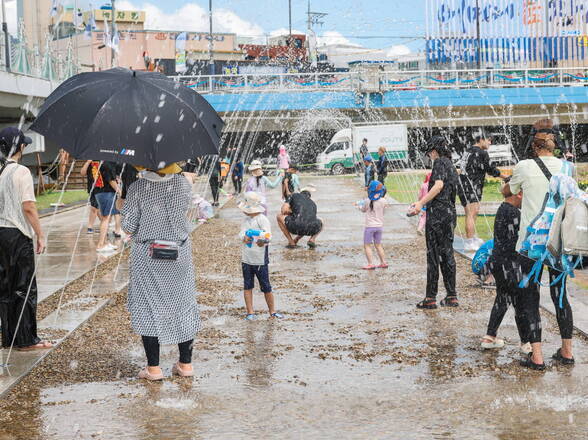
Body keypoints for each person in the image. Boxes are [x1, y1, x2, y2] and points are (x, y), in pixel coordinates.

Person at [121, 163, 200, 380]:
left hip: (148, 255)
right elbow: (192, 216)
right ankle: (185, 364)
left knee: (148, 305)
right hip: (179, 253)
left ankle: (154, 368)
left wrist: (124, 208)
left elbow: (128, 227)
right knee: (183, 303)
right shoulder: (183, 185)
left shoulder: (138, 187)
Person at [502, 132, 575, 370]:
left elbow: (508, 192)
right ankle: (566, 351)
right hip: (559, 242)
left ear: (534, 148)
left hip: (531, 243)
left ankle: (538, 356)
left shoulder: (524, 166)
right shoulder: (567, 167)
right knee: (561, 295)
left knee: (530, 297)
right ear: (553, 148)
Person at [0, 127, 52, 351]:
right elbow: (29, 207)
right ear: (19, 146)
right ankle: (26, 339)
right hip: (16, 234)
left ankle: (9, 337)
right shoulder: (20, 171)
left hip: (0, 233)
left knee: (5, 288)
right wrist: (40, 234)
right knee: (24, 287)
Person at [481, 179, 531, 354]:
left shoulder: (503, 209)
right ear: (519, 194)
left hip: (498, 262)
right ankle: (526, 343)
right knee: (520, 302)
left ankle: (490, 336)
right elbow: (523, 238)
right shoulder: (514, 213)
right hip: (510, 264)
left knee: (503, 299)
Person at [409, 136, 459, 309]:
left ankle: (430, 298)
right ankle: (452, 296)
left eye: (430, 152)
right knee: (447, 255)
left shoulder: (438, 163)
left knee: (433, 256)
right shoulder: (451, 165)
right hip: (449, 214)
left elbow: (438, 186)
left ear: (435, 150)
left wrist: (421, 203)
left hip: (437, 215)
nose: (429, 155)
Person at [239, 192, 283, 321]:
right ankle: (250, 312)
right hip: (246, 259)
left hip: (260, 260)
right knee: (247, 286)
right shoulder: (245, 220)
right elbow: (241, 234)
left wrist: (262, 241)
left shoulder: (262, 219)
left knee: (266, 286)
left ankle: (272, 311)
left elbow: (268, 236)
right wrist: (245, 237)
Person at [457, 135, 506, 251]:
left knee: (473, 212)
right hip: (471, 186)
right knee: (471, 213)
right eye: (488, 140)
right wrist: (506, 177)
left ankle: (472, 238)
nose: (490, 143)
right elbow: (491, 170)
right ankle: (469, 242)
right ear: (480, 140)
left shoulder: (468, 150)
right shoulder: (481, 153)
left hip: (465, 185)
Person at [357, 181, 389, 270]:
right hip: (379, 226)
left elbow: (363, 210)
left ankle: (371, 264)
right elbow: (383, 212)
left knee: (367, 245)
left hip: (369, 227)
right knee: (378, 245)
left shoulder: (367, 201)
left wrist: (358, 206)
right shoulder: (384, 201)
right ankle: (383, 262)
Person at [95, 161, 122, 253]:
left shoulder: (101, 162)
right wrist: (119, 191)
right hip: (106, 193)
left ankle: (105, 242)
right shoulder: (108, 164)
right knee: (106, 219)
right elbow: (111, 180)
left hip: (101, 192)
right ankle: (100, 244)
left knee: (105, 218)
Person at [80, 160, 103, 234]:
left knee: (96, 207)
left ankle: (92, 226)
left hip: (102, 187)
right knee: (95, 207)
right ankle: (92, 226)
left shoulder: (103, 160)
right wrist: (87, 162)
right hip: (92, 187)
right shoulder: (90, 161)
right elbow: (82, 173)